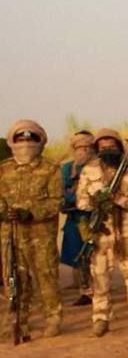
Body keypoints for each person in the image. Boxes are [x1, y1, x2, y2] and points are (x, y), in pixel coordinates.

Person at [76, 128, 128, 336]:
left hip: (127, 230)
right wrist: (96, 201)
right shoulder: (89, 170)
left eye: (112, 146)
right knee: (99, 276)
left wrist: (116, 199)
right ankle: (100, 319)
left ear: (119, 146)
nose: (108, 149)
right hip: (101, 231)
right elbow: (81, 201)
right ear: (97, 148)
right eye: (103, 146)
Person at [0, 120, 64, 340]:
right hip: (11, 234)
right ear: (12, 142)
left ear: (40, 142)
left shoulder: (50, 168)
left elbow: (57, 201)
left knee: (46, 277)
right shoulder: (4, 169)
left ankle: (53, 319)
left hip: (41, 235)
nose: (26, 143)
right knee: (14, 279)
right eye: (21, 139)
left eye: (31, 139)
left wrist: (33, 212)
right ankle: (18, 322)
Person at [60, 130, 94, 305]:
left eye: (87, 147)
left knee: (95, 254)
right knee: (78, 255)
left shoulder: (98, 166)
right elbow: (61, 193)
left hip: (94, 217)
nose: (83, 150)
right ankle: (85, 290)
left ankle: (97, 289)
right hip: (75, 218)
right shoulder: (67, 168)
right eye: (79, 147)